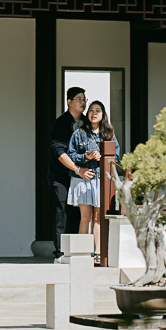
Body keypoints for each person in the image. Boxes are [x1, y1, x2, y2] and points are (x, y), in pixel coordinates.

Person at [67, 100, 120, 263]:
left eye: (98, 110)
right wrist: (86, 156)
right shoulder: (79, 133)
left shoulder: (109, 133)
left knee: (98, 217)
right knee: (86, 216)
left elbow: (116, 157)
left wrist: (102, 156)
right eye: (91, 110)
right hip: (84, 178)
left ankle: (98, 252)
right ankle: (82, 252)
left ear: (103, 114)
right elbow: (71, 154)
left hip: (100, 179)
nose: (94, 113)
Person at [48, 86, 94, 258]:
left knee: (79, 214)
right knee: (62, 213)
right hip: (61, 177)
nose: (83, 102)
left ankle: (78, 250)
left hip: (82, 177)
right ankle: (60, 252)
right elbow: (58, 152)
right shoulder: (59, 124)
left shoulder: (87, 123)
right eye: (79, 99)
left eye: (84, 99)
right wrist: (77, 169)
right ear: (69, 101)